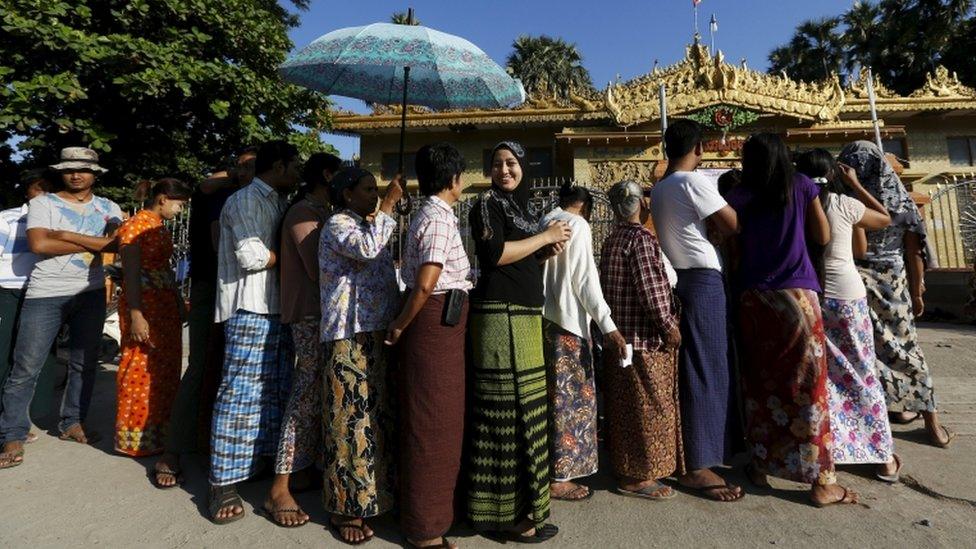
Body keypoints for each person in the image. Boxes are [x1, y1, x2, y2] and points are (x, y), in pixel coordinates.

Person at [727, 133, 858, 506]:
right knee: (809, 386)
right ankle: (821, 481)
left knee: (761, 384)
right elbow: (823, 235)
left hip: (753, 297)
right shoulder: (801, 186)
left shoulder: (739, 195)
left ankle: (761, 463)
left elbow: (732, 245)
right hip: (796, 295)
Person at [466, 141, 569, 543]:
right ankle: (503, 516)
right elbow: (492, 255)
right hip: (498, 317)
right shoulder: (485, 205)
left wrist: (544, 251)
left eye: (511, 163)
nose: (504, 170)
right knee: (505, 418)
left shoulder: (525, 210)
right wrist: (543, 239)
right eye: (497, 164)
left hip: (524, 317)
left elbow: (519, 258)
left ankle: (526, 509)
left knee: (529, 415)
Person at [0, 147, 123, 469]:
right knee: (25, 366)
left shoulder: (110, 207)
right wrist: (92, 241)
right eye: (70, 168)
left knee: (85, 364)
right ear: (61, 172)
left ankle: (72, 423)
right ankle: (12, 433)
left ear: (96, 173)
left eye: (83, 168)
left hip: (90, 293)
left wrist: (66, 234)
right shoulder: (43, 203)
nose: (76, 174)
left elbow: (116, 245)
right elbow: (40, 245)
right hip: (45, 294)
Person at [649, 119, 743, 502]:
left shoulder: (659, 189)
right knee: (709, 366)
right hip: (703, 278)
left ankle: (700, 453)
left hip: (679, 277)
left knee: (695, 366)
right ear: (700, 148)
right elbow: (733, 224)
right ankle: (699, 463)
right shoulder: (692, 181)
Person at [154, 146, 258, 488]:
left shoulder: (264, 198)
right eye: (243, 165)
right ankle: (174, 450)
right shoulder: (221, 195)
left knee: (240, 371)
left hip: (248, 294)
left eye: (254, 165)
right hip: (211, 287)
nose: (248, 171)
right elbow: (219, 243)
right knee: (200, 365)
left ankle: (229, 447)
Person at [838, 141, 953, 448]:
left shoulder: (851, 200)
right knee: (903, 349)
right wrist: (916, 293)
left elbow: (869, 245)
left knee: (875, 353)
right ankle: (926, 419)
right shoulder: (901, 202)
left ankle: (919, 419)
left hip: (863, 282)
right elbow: (914, 253)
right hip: (894, 284)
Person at [385, 143, 471, 549]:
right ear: (453, 180)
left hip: (441, 327)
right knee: (433, 425)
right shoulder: (437, 220)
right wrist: (401, 326)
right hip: (432, 325)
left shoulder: (431, 215)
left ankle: (429, 516)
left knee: (438, 422)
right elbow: (425, 282)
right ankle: (424, 529)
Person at [796, 149, 900, 482]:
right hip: (848, 297)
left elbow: (860, 249)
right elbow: (884, 218)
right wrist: (855, 186)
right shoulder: (844, 203)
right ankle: (882, 455)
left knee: (826, 377)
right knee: (864, 373)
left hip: (814, 294)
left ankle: (838, 448)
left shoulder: (799, 203)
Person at [208, 140, 299, 524]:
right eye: (295, 165)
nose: (298, 172)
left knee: (271, 394)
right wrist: (288, 254)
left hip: (276, 308)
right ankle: (222, 483)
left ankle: (255, 465)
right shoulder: (245, 201)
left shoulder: (278, 201)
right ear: (278, 166)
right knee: (238, 396)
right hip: (249, 307)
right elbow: (252, 257)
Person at [319, 167, 402, 544]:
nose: (374, 194)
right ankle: (344, 506)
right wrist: (387, 206)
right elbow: (367, 250)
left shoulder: (371, 223)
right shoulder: (338, 223)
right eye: (367, 190)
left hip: (375, 332)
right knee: (347, 422)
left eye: (377, 189)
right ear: (347, 194)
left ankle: (374, 497)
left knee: (374, 421)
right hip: (346, 333)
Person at [263, 152, 341, 527]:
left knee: (320, 394)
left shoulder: (324, 212)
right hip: (308, 313)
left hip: (327, 315)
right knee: (305, 393)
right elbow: (317, 267)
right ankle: (279, 486)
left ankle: (305, 466)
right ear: (327, 175)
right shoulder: (303, 214)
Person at [539, 182, 626, 502]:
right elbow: (586, 281)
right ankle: (559, 476)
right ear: (585, 207)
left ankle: (549, 468)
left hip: (543, 322)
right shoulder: (577, 224)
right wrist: (609, 326)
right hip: (569, 326)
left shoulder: (543, 221)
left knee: (550, 400)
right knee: (571, 403)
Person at [600, 180, 684, 500]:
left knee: (627, 410)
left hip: (620, 341)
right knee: (651, 409)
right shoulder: (641, 240)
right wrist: (669, 326)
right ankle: (639, 477)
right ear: (640, 205)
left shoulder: (611, 240)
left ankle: (627, 468)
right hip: (645, 341)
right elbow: (653, 293)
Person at [115, 179, 192, 459]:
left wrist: (177, 302)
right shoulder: (135, 226)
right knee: (139, 369)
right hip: (145, 305)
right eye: (179, 204)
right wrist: (136, 314)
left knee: (163, 369)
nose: (180, 210)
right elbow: (131, 274)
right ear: (162, 199)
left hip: (163, 306)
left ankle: (159, 433)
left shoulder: (157, 225)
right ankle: (135, 439)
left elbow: (166, 269)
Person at [0, 170, 56, 446]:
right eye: (38, 189)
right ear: (27, 192)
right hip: (9, 292)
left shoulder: (56, 221)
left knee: (30, 361)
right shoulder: (8, 218)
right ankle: (6, 428)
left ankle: (15, 421)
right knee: (5, 355)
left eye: (49, 190)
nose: (43, 195)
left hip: (43, 294)